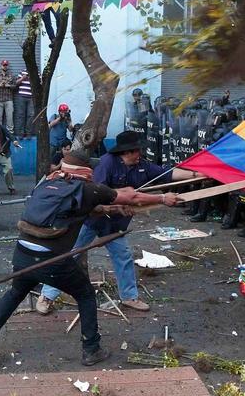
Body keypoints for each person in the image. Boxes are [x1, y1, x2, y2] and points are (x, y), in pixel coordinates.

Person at [0, 150, 180, 364]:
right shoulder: (87, 188)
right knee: (86, 294)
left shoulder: (46, 184)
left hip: (23, 252)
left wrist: (115, 209)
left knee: (16, 292)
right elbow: (132, 195)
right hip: (52, 259)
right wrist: (163, 198)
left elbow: (84, 209)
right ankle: (91, 349)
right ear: (86, 170)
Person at [37, 131, 198, 314]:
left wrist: (195, 174)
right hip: (89, 220)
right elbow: (101, 195)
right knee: (68, 256)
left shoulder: (142, 166)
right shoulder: (107, 163)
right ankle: (47, 296)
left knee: (123, 256)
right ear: (127, 152)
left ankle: (129, 297)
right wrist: (160, 198)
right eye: (137, 150)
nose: (140, 154)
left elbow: (167, 174)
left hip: (113, 225)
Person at [0, 60, 15, 135]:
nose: (5, 66)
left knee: (10, 119)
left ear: (8, 66)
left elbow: (15, 86)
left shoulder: (12, 75)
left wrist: (9, 86)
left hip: (9, 99)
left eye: (6, 65)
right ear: (1, 66)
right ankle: (0, 134)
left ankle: (10, 135)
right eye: (3, 65)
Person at [14, 70, 35, 138]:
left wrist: (32, 78)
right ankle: (21, 133)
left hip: (31, 97)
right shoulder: (22, 72)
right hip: (21, 96)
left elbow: (39, 83)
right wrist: (23, 78)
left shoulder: (36, 72)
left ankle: (28, 133)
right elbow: (16, 83)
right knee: (21, 115)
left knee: (31, 115)